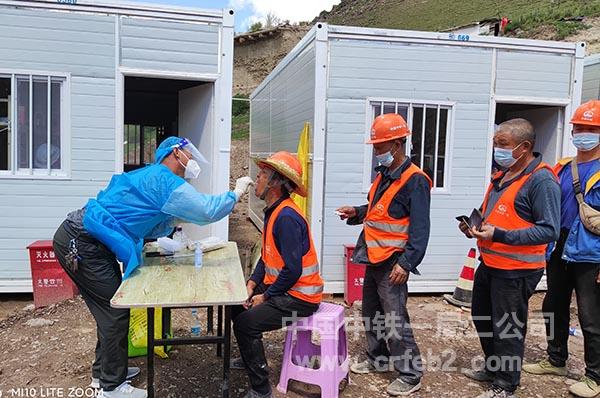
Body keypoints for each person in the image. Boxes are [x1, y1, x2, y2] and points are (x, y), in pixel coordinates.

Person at [52, 137, 254, 398]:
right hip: (82, 243)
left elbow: (149, 224)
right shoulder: (162, 179)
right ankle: (112, 387)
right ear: (175, 153)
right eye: (188, 154)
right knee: (114, 312)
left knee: (110, 307)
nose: (191, 161)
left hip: (88, 241)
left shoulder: (154, 178)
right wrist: (235, 193)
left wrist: (175, 223)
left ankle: (104, 374)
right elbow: (206, 211)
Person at [459, 118, 561, 398]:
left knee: (508, 328)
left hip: (516, 270)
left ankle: (506, 384)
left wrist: (500, 235)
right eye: (495, 144)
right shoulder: (501, 175)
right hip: (491, 263)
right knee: (482, 317)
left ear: (524, 147)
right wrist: (473, 227)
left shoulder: (542, 180)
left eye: (502, 145)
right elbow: (491, 214)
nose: (497, 150)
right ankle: (494, 368)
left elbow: (549, 230)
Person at [336, 113, 431, 396]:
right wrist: (356, 212)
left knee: (394, 319)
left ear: (398, 144)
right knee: (372, 314)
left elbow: (420, 229)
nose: (377, 152)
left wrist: (407, 262)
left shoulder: (416, 180)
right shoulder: (385, 176)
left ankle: (411, 374)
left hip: (394, 262)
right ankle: (378, 358)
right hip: (374, 257)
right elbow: (378, 212)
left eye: (380, 147)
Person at [522, 101, 600, 398]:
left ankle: (595, 376)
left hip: (592, 251)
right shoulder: (564, 166)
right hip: (559, 246)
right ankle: (556, 360)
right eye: (579, 128)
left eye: (591, 129)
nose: (583, 133)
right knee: (553, 305)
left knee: (591, 316)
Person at [232, 151, 324, 398]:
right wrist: (252, 284)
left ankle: (261, 390)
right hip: (284, 288)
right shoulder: (273, 211)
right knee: (236, 305)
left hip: (300, 298)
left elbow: (293, 270)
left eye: (262, 174)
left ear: (275, 182)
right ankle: (251, 357)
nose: (257, 179)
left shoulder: (286, 217)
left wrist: (266, 296)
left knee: (245, 323)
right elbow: (267, 254)